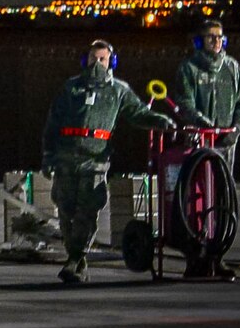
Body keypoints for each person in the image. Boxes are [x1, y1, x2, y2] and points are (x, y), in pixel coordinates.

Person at [41, 40, 175, 283]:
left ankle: (75, 258)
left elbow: (138, 113)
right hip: (66, 158)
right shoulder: (71, 88)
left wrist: (161, 121)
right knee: (65, 209)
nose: (96, 64)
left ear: (111, 62)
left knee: (87, 210)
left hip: (95, 161)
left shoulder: (118, 90)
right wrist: (49, 156)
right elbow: (53, 123)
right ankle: (76, 259)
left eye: (102, 59)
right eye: (93, 58)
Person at [174, 20, 240, 172]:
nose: (216, 41)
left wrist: (237, 129)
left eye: (220, 37)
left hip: (226, 143)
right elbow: (185, 103)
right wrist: (202, 124)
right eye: (211, 37)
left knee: (225, 189)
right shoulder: (189, 68)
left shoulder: (232, 67)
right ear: (200, 41)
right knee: (200, 188)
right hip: (199, 141)